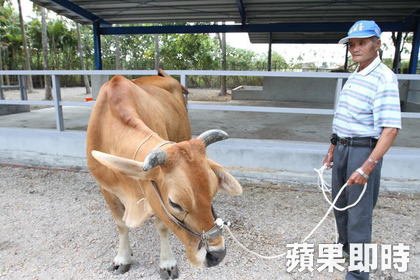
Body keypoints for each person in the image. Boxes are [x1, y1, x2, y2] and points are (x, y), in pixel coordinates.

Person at [323, 20, 401, 280]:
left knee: (359, 214)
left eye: (362, 42)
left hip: (362, 151)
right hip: (344, 148)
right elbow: (346, 117)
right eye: (352, 44)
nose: (355, 48)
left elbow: (390, 129)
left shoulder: (384, 78)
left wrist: (368, 166)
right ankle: (346, 251)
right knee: (341, 205)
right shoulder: (357, 74)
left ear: (377, 44)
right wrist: (334, 146)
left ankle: (358, 273)